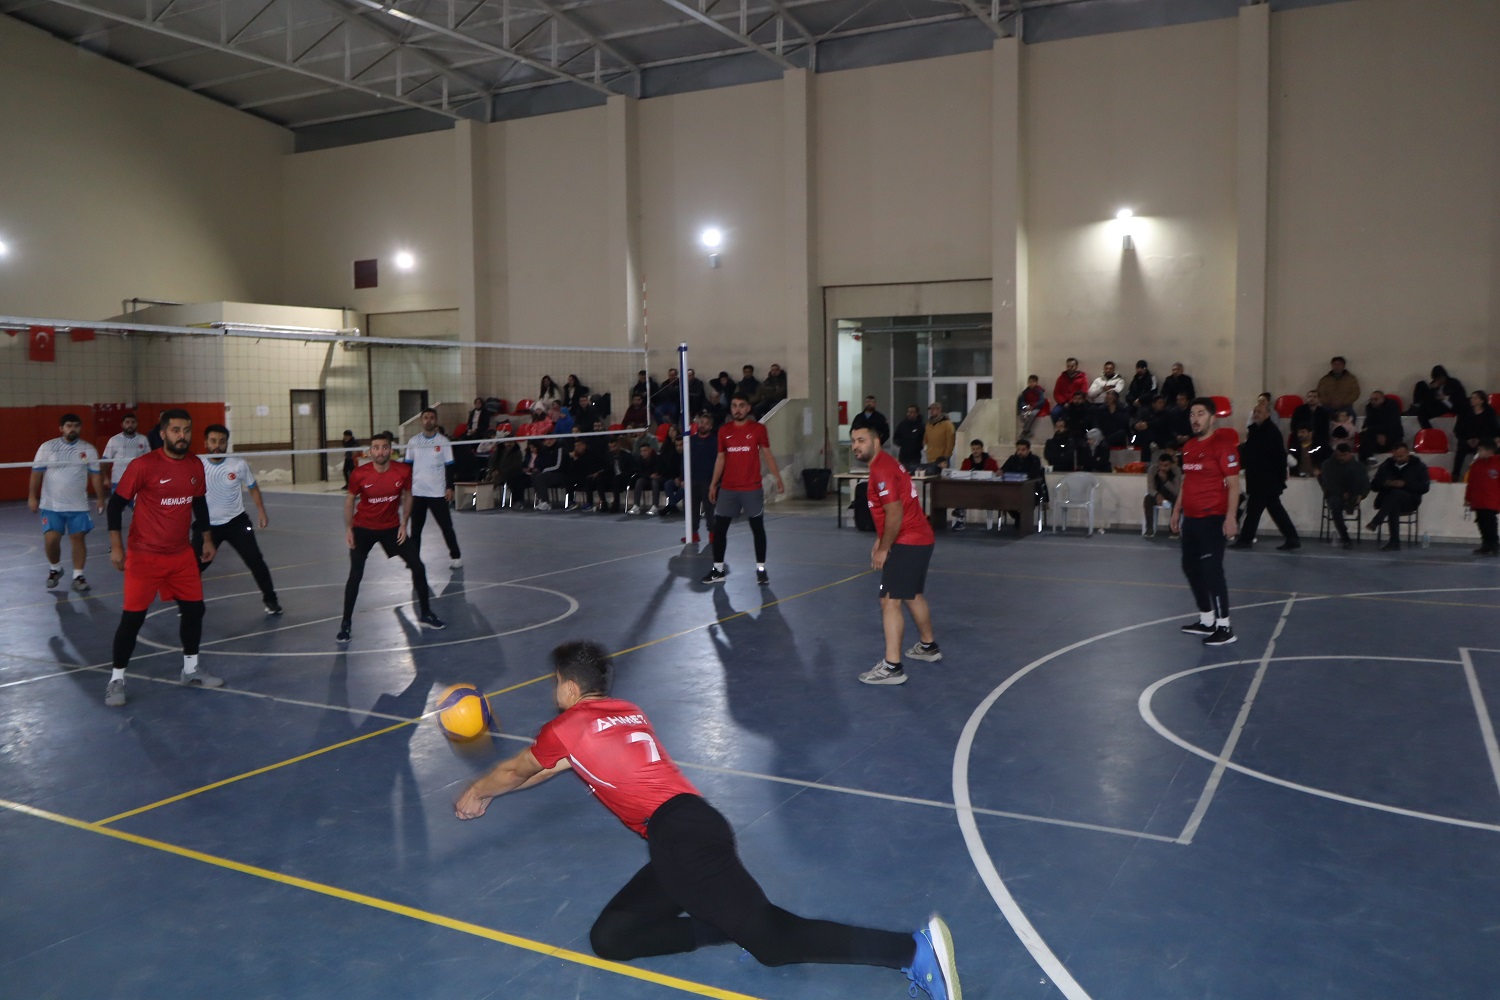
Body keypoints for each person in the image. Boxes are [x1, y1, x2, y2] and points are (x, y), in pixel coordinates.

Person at [453, 641, 960, 999]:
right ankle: (724, 927)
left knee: (775, 943)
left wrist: (478, 792)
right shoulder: (623, 712)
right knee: (613, 938)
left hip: (681, 838)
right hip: (684, 831)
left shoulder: (567, 725)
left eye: (553, 685)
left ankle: (911, 951)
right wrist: (503, 790)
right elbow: (548, 770)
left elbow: (514, 768)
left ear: (566, 687)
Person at [103, 409, 221, 707]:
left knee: (195, 611)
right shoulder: (144, 465)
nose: (183, 436)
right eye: (176, 430)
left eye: (187, 430)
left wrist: (206, 538)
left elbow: (199, 503)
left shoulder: (195, 464)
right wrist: (116, 546)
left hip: (181, 554)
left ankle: (190, 669)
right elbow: (116, 505)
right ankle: (116, 679)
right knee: (133, 619)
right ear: (164, 433)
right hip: (145, 555)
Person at [847, 427, 943, 686]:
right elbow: (891, 510)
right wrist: (881, 537)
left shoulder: (882, 470)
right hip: (918, 537)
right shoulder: (885, 465)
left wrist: (884, 548)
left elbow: (895, 513)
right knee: (911, 594)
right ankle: (927, 646)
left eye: (861, 440)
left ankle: (892, 667)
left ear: (877, 442)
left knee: (889, 601)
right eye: (853, 441)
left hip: (907, 540)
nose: (856, 446)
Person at [338, 431, 444, 643]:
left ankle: (425, 613)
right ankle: (346, 624)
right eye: (376, 447)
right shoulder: (359, 474)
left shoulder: (403, 471)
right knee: (355, 575)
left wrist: (404, 523)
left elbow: (408, 495)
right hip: (363, 529)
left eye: (384, 447)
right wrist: (349, 528)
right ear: (370, 452)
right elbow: (350, 500)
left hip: (391, 528)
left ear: (391, 450)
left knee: (418, 566)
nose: (380, 451)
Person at [1172, 398, 1240, 646]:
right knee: (1190, 567)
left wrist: (1231, 517)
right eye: (1192, 414)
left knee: (1212, 570)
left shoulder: (1223, 447)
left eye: (1200, 414)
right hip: (1191, 518)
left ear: (1212, 418)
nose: (1195, 419)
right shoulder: (1188, 446)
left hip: (1213, 518)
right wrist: (1176, 510)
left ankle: (1225, 627)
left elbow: (1234, 485)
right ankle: (1206, 620)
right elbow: (1186, 482)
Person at [194, 425, 281, 615]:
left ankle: (271, 599)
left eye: (222, 441)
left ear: (227, 443)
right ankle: (187, 603)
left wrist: (261, 511)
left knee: (256, 561)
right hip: (206, 525)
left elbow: (252, 487)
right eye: (213, 441)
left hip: (236, 523)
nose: (217, 445)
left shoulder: (238, 464)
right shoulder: (196, 464)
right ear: (205, 443)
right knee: (193, 566)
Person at [701, 394, 784, 586]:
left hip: (751, 489)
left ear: (748, 408)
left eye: (741, 406)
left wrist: (777, 477)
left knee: (757, 529)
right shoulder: (723, 431)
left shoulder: (758, 430)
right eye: (734, 406)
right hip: (728, 490)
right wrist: (714, 484)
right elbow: (720, 459)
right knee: (719, 529)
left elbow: (767, 455)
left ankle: (761, 569)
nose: (737, 409)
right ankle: (718, 570)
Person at [30, 412, 105, 593]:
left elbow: (95, 476)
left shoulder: (88, 449)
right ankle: (55, 569)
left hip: (78, 506)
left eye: (76, 425)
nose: (73, 429)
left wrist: (101, 498)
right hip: (51, 505)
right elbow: (36, 473)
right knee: (51, 539)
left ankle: (78, 575)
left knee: (78, 539)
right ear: (61, 429)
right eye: (69, 426)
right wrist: (32, 496)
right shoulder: (47, 447)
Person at [1234, 399, 1300, 552]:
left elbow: (1279, 456)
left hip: (1266, 480)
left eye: (1259, 412)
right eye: (1255, 412)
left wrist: (1281, 476)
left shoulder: (1272, 432)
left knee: (1255, 510)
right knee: (1273, 510)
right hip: (1259, 479)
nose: (1256, 414)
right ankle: (1292, 538)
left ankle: (1245, 539)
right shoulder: (1255, 431)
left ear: (1268, 414)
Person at [402, 407, 462, 569]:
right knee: (416, 529)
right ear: (422, 421)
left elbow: (450, 467)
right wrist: (406, 488)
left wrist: (449, 487)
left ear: (436, 421)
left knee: (446, 527)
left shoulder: (443, 442)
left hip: (437, 493)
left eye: (431, 418)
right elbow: (407, 467)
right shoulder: (413, 442)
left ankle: (456, 556)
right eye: (425, 418)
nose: (428, 420)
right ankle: (413, 558)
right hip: (418, 492)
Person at [1367, 442, 1430, 551]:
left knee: (1396, 495)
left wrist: (1405, 484)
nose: (1398, 459)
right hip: (1387, 500)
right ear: (1392, 454)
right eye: (1396, 456)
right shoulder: (1386, 465)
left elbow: (1424, 487)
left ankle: (1377, 521)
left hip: (1410, 500)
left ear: (1408, 453)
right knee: (1394, 502)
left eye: (1401, 456)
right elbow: (1374, 486)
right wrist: (1385, 483)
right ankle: (1394, 542)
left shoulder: (1419, 466)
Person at [1320, 443, 1370, 549]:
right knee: (1335, 505)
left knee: (1346, 501)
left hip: (1353, 494)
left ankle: (1351, 504)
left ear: (1350, 454)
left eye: (1344, 455)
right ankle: (1345, 537)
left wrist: (1361, 495)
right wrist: (1341, 493)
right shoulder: (1328, 465)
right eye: (1339, 455)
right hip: (1334, 495)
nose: (1341, 457)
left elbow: (1365, 483)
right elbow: (1328, 484)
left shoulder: (1359, 466)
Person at [950, 439, 999, 531]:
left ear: (982, 449)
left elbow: (995, 475)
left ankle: (960, 516)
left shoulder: (991, 462)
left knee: (963, 495)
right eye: (973, 449)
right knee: (960, 493)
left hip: (987, 490)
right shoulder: (967, 462)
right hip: (970, 489)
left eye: (977, 449)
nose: (975, 451)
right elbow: (962, 475)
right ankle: (960, 519)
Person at [1000, 438, 1048, 529]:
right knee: (1005, 499)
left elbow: (1033, 475)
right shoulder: (1012, 459)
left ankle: (1020, 520)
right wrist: (1000, 472)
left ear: (1028, 450)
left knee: (1026, 499)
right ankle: (1019, 518)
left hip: (1032, 490)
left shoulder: (1034, 460)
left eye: (1023, 450)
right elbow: (1003, 470)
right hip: (1013, 490)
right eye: (1018, 450)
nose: (1020, 452)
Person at [684, 410, 716, 544]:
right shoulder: (690, 441)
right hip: (693, 480)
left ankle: (712, 535)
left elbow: (718, 462)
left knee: (710, 509)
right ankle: (693, 534)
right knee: (692, 509)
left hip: (708, 481)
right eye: (701, 422)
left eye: (706, 423)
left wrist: (715, 482)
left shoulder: (714, 441)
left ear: (710, 427)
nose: (702, 425)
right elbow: (685, 460)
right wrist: (683, 477)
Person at [1463, 439, 1500, 556]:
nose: (1478, 452)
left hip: (1492, 499)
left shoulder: (1498, 463)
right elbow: (1471, 483)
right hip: (1478, 499)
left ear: (1489, 451)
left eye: (1481, 450)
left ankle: (1493, 544)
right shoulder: (1476, 465)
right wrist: (1468, 498)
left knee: (1490, 522)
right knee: (1481, 522)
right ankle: (1486, 544)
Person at [1452, 390, 1500, 479]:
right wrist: (1468, 439)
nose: (1472, 400)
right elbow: (1458, 429)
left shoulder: (1489, 412)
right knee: (1461, 450)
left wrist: (1480, 440)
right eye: (1472, 397)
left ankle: (1483, 475)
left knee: (1485, 449)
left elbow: (1493, 430)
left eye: (1475, 398)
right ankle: (1455, 474)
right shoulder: (1465, 411)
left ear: (1482, 401)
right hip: (1466, 440)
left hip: (1483, 440)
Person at [101, 411, 150, 495]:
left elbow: (149, 461)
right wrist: (105, 477)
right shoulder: (114, 440)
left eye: (133, 422)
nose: (130, 425)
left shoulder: (143, 439)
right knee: (117, 507)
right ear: (122, 424)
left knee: (137, 508)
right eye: (127, 422)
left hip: (138, 482)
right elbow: (105, 461)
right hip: (118, 481)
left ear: (136, 424)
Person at [1143, 451, 1181, 537]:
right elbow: (1150, 488)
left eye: (1165, 466)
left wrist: (1165, 480)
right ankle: (1149, 529)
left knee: (1178, 500)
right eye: (1160, 465)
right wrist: (1157, 495)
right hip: (1158, 494)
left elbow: (1176, 490)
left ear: (1171, 465)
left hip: (1171, 494)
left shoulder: (1176, 470)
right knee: (1147, 499)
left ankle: (1173, 530)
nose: (1162, 468)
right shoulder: (1153, 469)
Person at [1360, 390, 1404, 462]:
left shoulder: (1392, 406)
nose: (1373, 402)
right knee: (1363, 435)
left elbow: (1393, 424)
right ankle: (1368, 459)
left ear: (1383, 399)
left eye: (1376, 399)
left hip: (1391, 438)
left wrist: (1382, 433)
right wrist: (1377, 435)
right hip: (1376, 438)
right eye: (1371, 399)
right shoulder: (1369, 408)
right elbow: (1366, 425)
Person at [628, 440, 663, 516]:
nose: (643, 453)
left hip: (657, 478)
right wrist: (649, 475)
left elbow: (659, 470)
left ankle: (655, 506)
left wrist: (654, 474)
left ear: (650, 450)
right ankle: (636, 506)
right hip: (647, 478)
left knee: (654, 482)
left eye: (645, 450)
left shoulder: (657, 457)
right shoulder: (640, 459)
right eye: (641, 451)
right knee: (639, 481)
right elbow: (639, 472)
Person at [922, 402, 955, 472]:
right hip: (930, 458)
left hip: (942, 458)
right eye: (930, 410)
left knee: (943, 479)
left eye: (933, 409)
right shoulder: (928, 425)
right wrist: (926, 449)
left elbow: (950, 441)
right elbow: (925, 439)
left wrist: (946, 455)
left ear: (939, 410)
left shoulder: (947, 424)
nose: (931, 411)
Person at [1016, 374, 1050, 439]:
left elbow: (1042, 401)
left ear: (1036, 383)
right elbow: (1021, 401)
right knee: (1022, 414)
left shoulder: (1039, 391)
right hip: (1027, 407)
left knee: (1032, 414)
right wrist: (1025, 407)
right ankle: (1027, 430)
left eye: (1033, 382)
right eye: (1029, 382)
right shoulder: (1025, 391)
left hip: (1036, 407)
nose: (1031, 383)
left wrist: (1033, 406)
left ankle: (1025, 430)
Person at [893, 405, 925, 471]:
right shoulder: (902, 425)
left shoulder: (921, 426)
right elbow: (895, 438)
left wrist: (917, 446)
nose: (909, 414)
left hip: (915, 456)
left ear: (916, 414)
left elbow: (924, 439)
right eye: (908, 412)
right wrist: (903, 443)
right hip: (903, 455)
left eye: (911, 412)